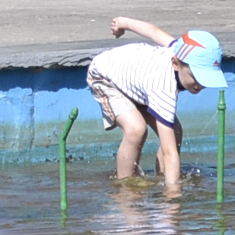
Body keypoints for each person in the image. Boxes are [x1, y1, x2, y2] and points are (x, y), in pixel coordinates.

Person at [87, 18, 227, 192]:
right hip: (106, 76)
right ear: (176, 64)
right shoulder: (164, 88)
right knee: (136, 129)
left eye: (206, 78)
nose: (200, 84)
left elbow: (153, 31)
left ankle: (162, 178)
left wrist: (124, 23)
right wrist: (173, 197)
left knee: (174, 131)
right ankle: (126, 189)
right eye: (196, 76)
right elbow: (170, 153)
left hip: (138, 82)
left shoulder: (180, 50)